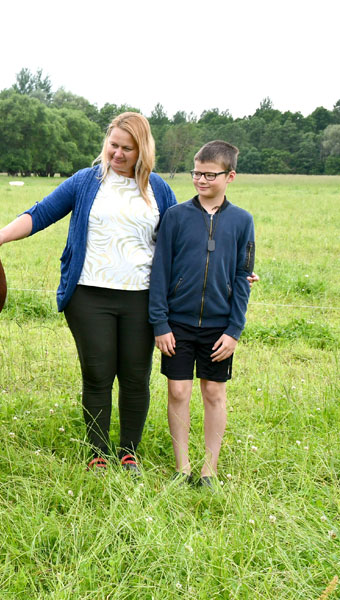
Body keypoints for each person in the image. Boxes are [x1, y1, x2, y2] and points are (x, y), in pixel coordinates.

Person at [0, 112, 176, 473]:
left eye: (126, 149)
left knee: (135, 375)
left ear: (142, 150)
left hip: (143, 297)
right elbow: (41, 212)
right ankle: (97, 453)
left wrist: (234, 268)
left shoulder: (158, 189)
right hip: (89, 296)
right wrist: (2, 235)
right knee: (98, 374)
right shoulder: (86, 182)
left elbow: (182, 236)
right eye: (112, 145)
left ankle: (129, 452)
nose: (117, 154)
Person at [148, 140, 255, 487]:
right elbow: (160, 271)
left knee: (214, 393)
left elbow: (243, 276)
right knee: (178, 391)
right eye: (197, 173)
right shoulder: (176, 216)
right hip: (177, 324)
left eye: (210, 175)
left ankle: (209, 469)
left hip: (219, 327)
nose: (201, 180)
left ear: (230, 176)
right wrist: (160, 323)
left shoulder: (242, 221)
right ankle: (182, 467)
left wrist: (234, 330)